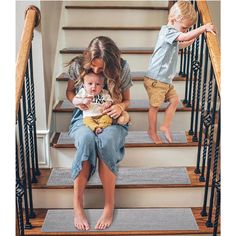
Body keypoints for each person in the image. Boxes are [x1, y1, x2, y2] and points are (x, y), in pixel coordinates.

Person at [66, 36, 133, 230]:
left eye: (101, 69)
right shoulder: (79, 65)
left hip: (110, 117)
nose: (95, 71)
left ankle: (109, 204)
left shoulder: (123, 67)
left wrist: (120, 107)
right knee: (86, 139)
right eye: (93, 67)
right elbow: (70, 92)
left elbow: (127, 100)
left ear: (111, 65)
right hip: (83, 116)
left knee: (107, 139)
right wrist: (75, 101)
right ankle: (77, 204)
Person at [144, 0, 216, 144]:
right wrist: (202, 28)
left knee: (175, 101)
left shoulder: (175, 35)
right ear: (174, 19)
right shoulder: (167, 31)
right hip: (156, 80)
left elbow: (181, 43)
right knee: (154, 107)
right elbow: (182, 37)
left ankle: (165, 126)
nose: (185, 31)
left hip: (165, 80)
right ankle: (152, 131)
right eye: (184, 27)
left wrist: (193, 38)